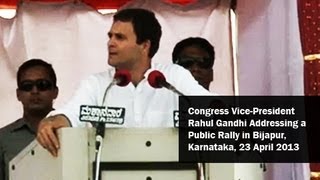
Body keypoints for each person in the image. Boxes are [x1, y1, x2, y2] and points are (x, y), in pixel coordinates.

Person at [36, 8, 214, 157]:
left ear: (145, 45)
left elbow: (211, 106)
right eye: (110, 36)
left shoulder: (172, 77)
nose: (110, 43)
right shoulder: (97, 84)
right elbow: (73, 113)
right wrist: (54, 120)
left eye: (119, 38)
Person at [0, 59, 59, 180]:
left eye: (42, 85)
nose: (35, 91)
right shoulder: (3, 138)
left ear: (55, 92)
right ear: (18, 94)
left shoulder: (73, 131)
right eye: (27, 86)